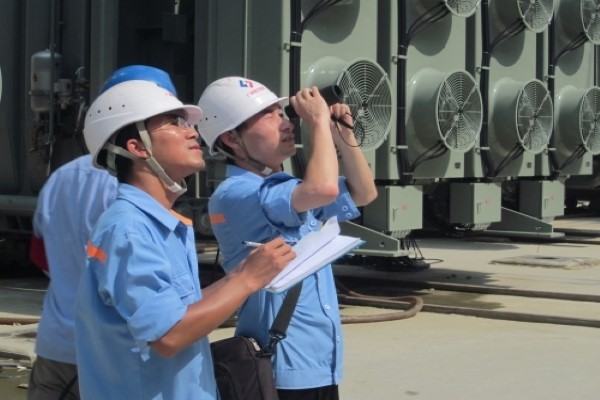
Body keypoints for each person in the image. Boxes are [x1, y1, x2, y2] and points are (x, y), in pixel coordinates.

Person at [75, 79, 295, 399]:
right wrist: (247, 279)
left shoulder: (158, 224)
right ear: (137, 147)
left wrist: (243, 273)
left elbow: (182, 310)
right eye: (174, 123)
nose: (192, 132)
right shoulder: (129, 230)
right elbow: (168, 335)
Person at [197, 77, 378, 399]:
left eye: (282, 112)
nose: (285, 123)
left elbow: (364, 193)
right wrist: (318, 122)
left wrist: (343, 134)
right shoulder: (235, 194)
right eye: (267, 115)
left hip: (319, 360)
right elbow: (324, 189)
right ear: (231, 139)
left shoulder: (287, 190)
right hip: (280, 366)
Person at [27, 65, 186, 400]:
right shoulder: (134, 188)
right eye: (170, 118)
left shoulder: (60, 177)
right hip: (110, 357)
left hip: (55, 346)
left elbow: (39, 255)